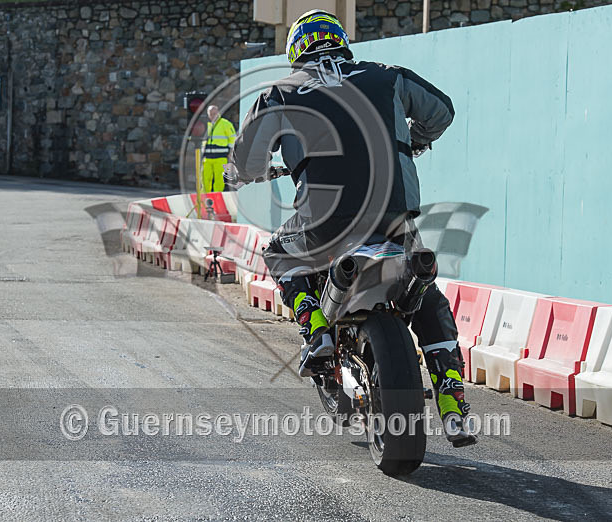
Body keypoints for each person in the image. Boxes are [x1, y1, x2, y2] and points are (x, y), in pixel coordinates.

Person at [225, 10, 475, 447]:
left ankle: (315, 324)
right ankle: (452, 396)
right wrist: (412, 142)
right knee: (425, 294)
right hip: (392, 217)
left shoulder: (279, 93)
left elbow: (244, 162)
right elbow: (443, 111)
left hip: (324, 224)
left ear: (296, 51)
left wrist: (245, 174)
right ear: (342, 42)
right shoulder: (387, 75)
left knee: (280, 254)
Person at [201, 105, 236, 193]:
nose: (213, 115)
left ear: (218, 113)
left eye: (214, 113)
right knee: (205, 179)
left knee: (219, 180)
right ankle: (204, 199)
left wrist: (230, 153)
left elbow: (233, 139)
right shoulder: (205, 125)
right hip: (207, 158)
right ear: (208, 114)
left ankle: (217, 197)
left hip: (221, 157)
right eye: (211, 114)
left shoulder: (226, 124)